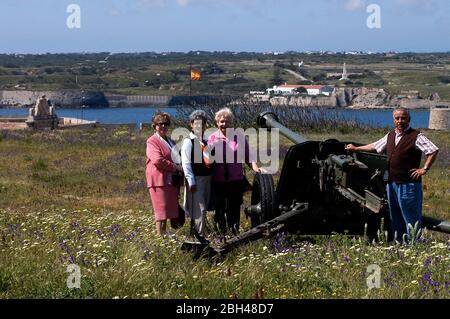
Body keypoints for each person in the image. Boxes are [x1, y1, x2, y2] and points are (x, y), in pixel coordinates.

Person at [345, 107, 439, 241]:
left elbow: (433, 150)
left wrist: (424, 168)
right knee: (395, 216)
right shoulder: (390, 135)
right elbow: (375, 146)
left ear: (408, 119)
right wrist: (356, 148)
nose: (400, 121)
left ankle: (415, 246)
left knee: (411, 218)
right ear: (394, 119)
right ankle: (400, 245)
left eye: (403, 118)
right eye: (397, 118)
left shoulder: (416, 136)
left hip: (408, 184)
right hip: (392, 183)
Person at [207, 107, 261, 235]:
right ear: (217, 123)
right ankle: (221, 233)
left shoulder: (239, 137)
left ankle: (234, 231)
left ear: (232, 123)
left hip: (236, 180)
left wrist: (255, 168)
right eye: (221, 122)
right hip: (218, 180)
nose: (224, 124)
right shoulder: (212, 138)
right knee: (219, 208)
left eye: (227, 121)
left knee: (234, 207)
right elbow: (207, 159)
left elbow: (248, 156)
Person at [146, 112, 184, 236]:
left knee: (167, 210)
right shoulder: (152, 141)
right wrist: (176, 167)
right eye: (160, 124)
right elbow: (157, 160)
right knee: (161, 211)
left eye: (166, 124)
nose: (163, 126)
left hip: (170, 181)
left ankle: (164, 235)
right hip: (159, 181)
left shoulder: (170, 140)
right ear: (155, 126)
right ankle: (160, 236)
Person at [181, 110, 211, 242]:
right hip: (196, 179)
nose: (199, 126)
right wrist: (191, 180)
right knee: (199, 209)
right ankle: (199, 235)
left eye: (202, 123)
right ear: (191, 125)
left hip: (207, 178)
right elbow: (186, 162)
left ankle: (202, 232)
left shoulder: (205, 141)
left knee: (205, 207)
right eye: (196, 123)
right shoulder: (189, 141)